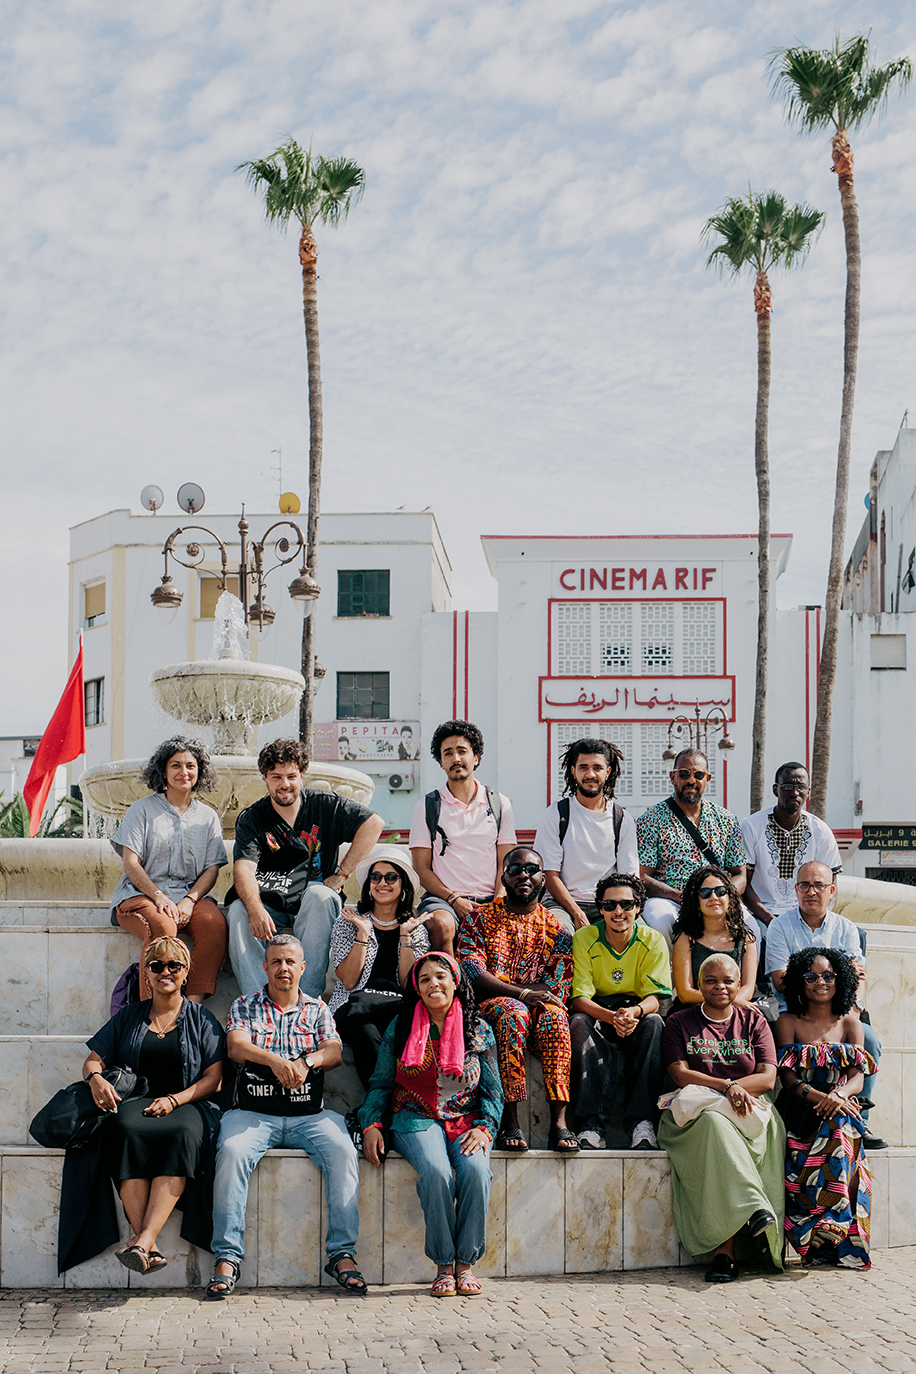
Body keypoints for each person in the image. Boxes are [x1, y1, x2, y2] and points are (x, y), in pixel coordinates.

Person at [207, 933, 366, 1299]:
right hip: (253, 1112)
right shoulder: (245, 1005)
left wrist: (306, 1061)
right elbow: (236, 1046)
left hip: (308, 1115)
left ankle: (342, 1254)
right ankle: (227, 1257)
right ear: (265, 967)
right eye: (276, 962)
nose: (283, 968)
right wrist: (275, 1061)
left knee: (343, 1150)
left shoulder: (317, 1009)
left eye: (290, 961)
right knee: (231, 1151)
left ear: (302, 967)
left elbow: (334, 1051)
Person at [64, 937, 225, 1276]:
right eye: (157, 965)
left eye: (174, 966)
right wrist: (96, 1079)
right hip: (136, 1102)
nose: (166, 972)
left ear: (186, 973)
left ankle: (143, 1240)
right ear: (147, 974)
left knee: (182, 1135)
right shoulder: (129, 1016)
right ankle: (145, 1244)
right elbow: (93, 1060)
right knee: (123, 1129)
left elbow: (214, 1079)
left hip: (187, 1103)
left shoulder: (202, 1019)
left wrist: (174, 1100)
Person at [361, 953, 502, 1297]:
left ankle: (465, 1265)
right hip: (414, 1117)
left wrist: (485, 1127)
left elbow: (493, 1091)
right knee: (437, 1173)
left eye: (440, 976)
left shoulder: (478, 1029)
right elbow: (381, 1083)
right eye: (424, 979)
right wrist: (372, 1124)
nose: (433, 984)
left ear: (455, 982)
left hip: (467, 1119)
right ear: (417, 989)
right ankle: (443, 1267)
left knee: (476, 1172)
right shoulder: (401, 1026)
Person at [225, 737, 384, 1000]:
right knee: (239, 911)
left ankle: (306, 1001)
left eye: (291, 776)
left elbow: (373, 824)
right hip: (271, 901)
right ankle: (256, 1002)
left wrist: (342, 873)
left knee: (320, 895)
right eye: (276, 777)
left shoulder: (325, 804)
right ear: (265, 779)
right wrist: (255, 909)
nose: (285, 784)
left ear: (302, 776)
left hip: (312, 900)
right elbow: (243, 870)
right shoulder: (253, 818)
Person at [660, 954, 786, 1282]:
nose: (720, 987)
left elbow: (768, 1078)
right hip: (696, 1113)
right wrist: (727, 1087)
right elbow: (679, 1073)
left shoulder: (754, 1021)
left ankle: (746, 1241)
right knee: (716, 1127)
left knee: (753, 1126)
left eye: (728, 981)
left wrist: (737, 1090)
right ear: (699, 985)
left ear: (739, 985)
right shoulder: (679, 1021)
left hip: (748, 1106)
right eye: (711, 981)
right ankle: (740, 1227)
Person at [457, 847, 577, 1153]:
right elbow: (473, 973)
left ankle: (559, 1123)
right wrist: (522, 993)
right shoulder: (478, 919)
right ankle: (509, 1120)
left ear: (543, 878)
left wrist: (524, 993)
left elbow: (558, 985)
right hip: (490, 1008)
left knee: (555, 1017)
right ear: (503, 878)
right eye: (514, 870)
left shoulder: (557, 928)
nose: (523, 875)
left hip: (537, 1009)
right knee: (514, 1012)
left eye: (531, 869)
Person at [765, 860, 884, 1149]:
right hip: (794, 1011)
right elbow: (781, 980)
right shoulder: (779, 926)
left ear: (831, 890)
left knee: (867, 1038)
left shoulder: (846, 928)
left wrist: (851, 1011)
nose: (811, 891)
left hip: (840, 1011)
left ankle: (858, 1118)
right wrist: (822, 979)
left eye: (819, 885)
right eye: (804, 885)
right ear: (795, 889)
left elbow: (857, 977)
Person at [775, 948, 877, 1269]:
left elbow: (857, 1078)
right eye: (811, 976)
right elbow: (788, 1080)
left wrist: (839, 1095)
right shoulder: (788, 1022)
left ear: (840, 979)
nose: (821, 982)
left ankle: (831, 1226)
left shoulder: (851, 1023)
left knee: (841, 1123)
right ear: (799, 982)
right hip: (800, 1109)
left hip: (839, 1105)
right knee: (840, 1123)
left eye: (828, 975)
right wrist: (824, 1098)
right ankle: (834, 1221)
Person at [109, 736, 228, 1002]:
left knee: (214, 925)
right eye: (176, 765)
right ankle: (153, 1008)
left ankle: (191, 1007)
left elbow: (212, 868)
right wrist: (158, 896)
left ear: (199, 772)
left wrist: (190, 900)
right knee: (164, 925)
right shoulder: (142, 810)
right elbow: (130, 863)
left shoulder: (208, 817)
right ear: (163, 771)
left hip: (188, 894)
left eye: (190, 766)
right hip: (141, 894)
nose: (184, 772)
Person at [569, 873, 670, 1150]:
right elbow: (579, 999)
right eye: (610, 904)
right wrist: (612, 1017)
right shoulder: (585, 937)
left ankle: (642, 1123)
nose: (618, 911)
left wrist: (633, 1012)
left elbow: (654, 998)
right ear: (600, 908)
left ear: (638, 907)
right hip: (597, 1009)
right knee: (578, 1022)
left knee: (655, 1024)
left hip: (635, 1010)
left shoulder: (653, 939)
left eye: (626, 904)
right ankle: (590, 1125)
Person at [409, 720, 517, 956]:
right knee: (441, 925)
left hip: (492, 898)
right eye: (448, 753)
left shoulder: (499, 803)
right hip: (443, 900)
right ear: (441, 762)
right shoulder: (427, 806)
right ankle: (450, 979)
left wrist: (497, 902)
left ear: (476, 757)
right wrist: (454, 900)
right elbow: (420, 868)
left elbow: (507, 862)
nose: (455, 758)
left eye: (462, 751)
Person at [327, 844, 432, 1087]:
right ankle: (383, 1100)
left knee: (399, 1031)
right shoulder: (349, 921)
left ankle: (384, 1102)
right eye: (376, 877)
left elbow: (409, 985)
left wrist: (405, 937)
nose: (382, 883)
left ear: (403, 884)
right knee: (366, 1033)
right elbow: (348, 980)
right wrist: (362, 934)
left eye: (391, 877)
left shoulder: (415, 928)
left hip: (396, 1005)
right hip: (353, 1005)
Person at [636, 748, 748, 946]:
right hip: (669, 900)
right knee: (662, 924)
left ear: (707, 779)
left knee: (750, 927)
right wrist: (682, 898)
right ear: (673, 777)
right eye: (683, 774)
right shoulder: (650, 820)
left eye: (698, 775)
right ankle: (668, 968)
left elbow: (740, 874)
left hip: (717, 898)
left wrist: (720, 896)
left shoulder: (727, 820)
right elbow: (642, 876)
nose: (691, 780)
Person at [534, 738, 639, 931]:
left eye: (597, 768)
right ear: (573, 771)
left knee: (643, 935)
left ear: (608, 772)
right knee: (560, 934)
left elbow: (629, 879)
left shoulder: (622, 819)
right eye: (584, 767)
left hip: (609, 904)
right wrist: (577, 913)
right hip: (561, 904)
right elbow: (549, 875)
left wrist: (615, 910)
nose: (590, 774)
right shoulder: (555, 814)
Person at [741, 763, 842, 926]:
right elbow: (743, 882)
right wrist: (770, 921)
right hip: (760, 916)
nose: (795, 792)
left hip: (805, 916)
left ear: (808, 792)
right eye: (788, 786)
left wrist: (822, 923)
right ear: (775, 790)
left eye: (801, 787)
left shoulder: (820, 831)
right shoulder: (751, 826)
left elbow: (831, 885)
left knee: (858, 935)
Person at [670, 867, 758, 1012]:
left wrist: (728, 1003)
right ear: (696, 901)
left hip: (734, 1011)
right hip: (696, 1012)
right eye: (705, 893)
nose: (713, 897)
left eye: (720, 891)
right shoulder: (686, 937)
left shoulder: (745, 938)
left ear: (730, 898)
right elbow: (685, 993)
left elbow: (748, 988)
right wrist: (725, 1000)